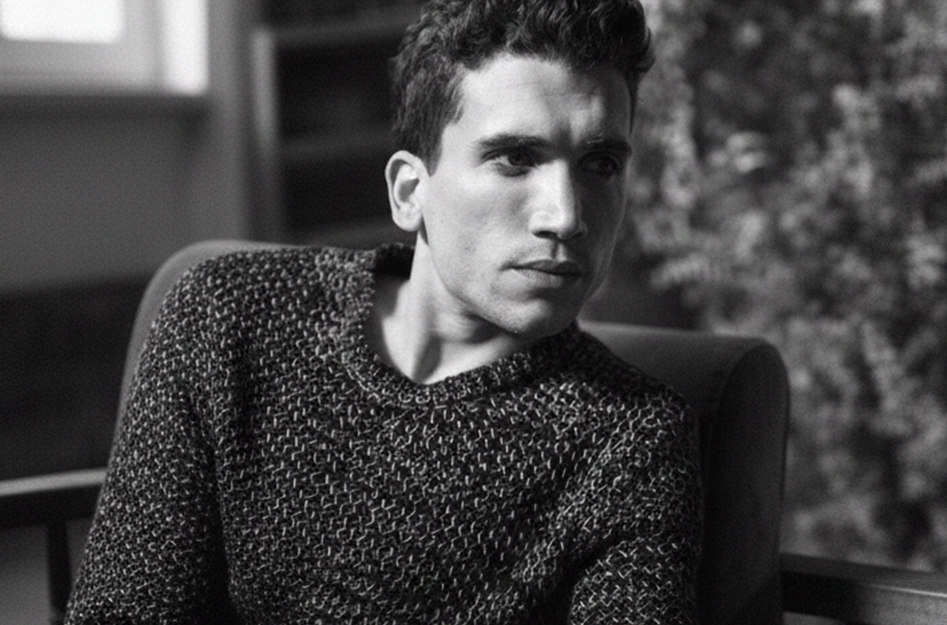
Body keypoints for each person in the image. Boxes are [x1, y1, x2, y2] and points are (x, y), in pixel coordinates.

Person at [66, 0, 702, 622]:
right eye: (516, 158)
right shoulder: (228, 314)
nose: (566, 215)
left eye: (600, 164)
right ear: (409, 192)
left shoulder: (633, 438)